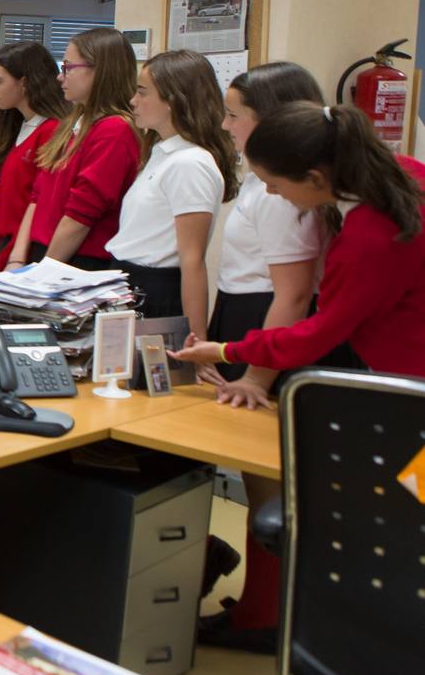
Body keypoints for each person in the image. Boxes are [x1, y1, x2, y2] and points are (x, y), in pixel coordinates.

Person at [170, 102, 425, 378]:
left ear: (314, 179)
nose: (271, 192)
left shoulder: (365, 242)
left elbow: (316, 335)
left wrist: (224, 351)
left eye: (276, 185)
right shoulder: (402, 172)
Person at [205, 63, 333, 411]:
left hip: (268, 317)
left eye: (232, 116)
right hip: (245, 310)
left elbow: (294, 295)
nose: (224, 125)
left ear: (270, 121)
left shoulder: (281, 192)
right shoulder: (259, 180)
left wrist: (255, 378)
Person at [105, 50, 237, 340]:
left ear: (173, 100)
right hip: (129, 282)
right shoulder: (162, 152)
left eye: (142, 93)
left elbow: (192, 261)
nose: (132, 101)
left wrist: (196, 340)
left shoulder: (190, 163)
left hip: (156, 291)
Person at [12, 26, 140, 271]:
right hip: (46, 255)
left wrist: (45, 272)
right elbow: (37, 196)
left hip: (75, 263)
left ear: (99, 71)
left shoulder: (114, 130)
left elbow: (80, 216)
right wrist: (17, 260)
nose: (60, 77)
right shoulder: (71, 125)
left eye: (68, 68)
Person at [0, 42, 69, 277]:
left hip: (24, 257)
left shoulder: (52, 131)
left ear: (25, 82)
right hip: (5, 251)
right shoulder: (21, 126)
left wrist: (9, 261)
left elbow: (36, 206)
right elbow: (3, 210)